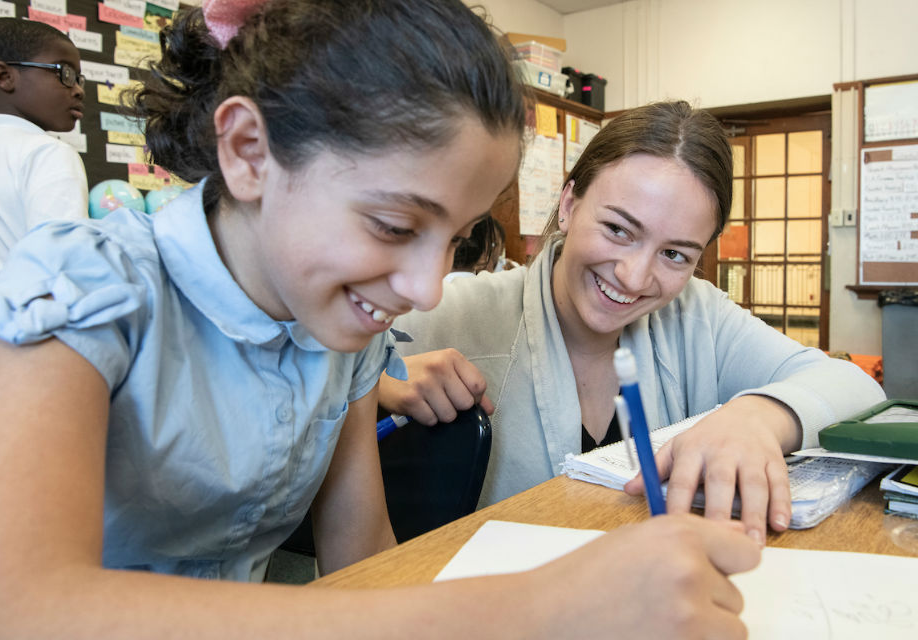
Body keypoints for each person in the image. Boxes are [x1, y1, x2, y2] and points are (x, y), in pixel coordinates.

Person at [0, 4, 761, 638]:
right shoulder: (85, 288)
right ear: (246, 150)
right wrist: (528, 613)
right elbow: (7, 613)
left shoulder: (339, 334)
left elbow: (363, 564)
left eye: (456, 238)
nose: (424, 286)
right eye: (393, 225)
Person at [380, 101, 886, 546]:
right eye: (619, 229)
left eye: (674, 254)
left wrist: (754, 419)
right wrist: (377, 385)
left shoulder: (696, 314)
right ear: (570, 202)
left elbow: (855, 387)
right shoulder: (449, 309)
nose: (634, 276)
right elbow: (312, 367)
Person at [0, 17, 89, 351]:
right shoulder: (50, 154)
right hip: (29, 342)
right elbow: (62, 271)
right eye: (64, 72)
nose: (78, 88)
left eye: (79, 77)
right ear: (5, 76)